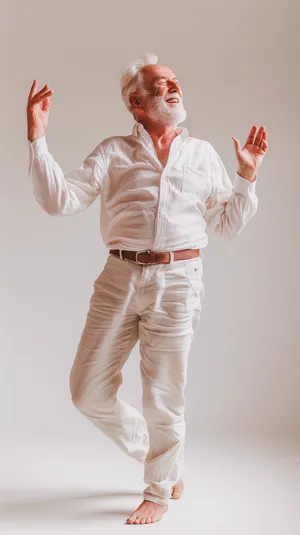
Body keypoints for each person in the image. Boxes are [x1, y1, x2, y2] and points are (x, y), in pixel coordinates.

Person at [26, 52, 268, 525]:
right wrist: (38, 139)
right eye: (159, 85)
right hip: (119, 278)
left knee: (164, 393)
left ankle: (159, 488)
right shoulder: (113, 152)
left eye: (174, 81)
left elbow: (227, 226)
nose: (172, 88)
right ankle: (164, 458)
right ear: (136, 102)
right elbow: (60, 201)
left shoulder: (202, 155)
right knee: (86, 391)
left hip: (179, 282)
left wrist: (247, 177)